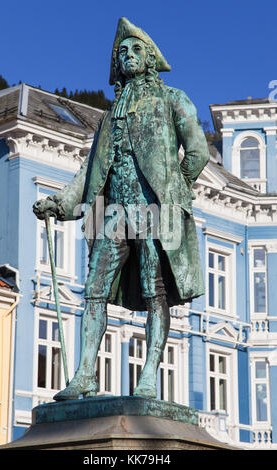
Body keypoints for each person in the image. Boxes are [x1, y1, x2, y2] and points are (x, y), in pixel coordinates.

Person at [33, 17, 209, 400]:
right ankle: (84, 374)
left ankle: (148, 376)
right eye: (122, 52)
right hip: (113, 213)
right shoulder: (109, 116)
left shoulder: (173, 100)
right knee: (93, 289)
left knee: (154, 292)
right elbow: (89, 172)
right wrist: (61, 203)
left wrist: (174, 190)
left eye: (135, 50)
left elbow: (197, 152)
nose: (127, 55)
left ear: (149, 59)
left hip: (153, 211)